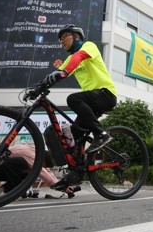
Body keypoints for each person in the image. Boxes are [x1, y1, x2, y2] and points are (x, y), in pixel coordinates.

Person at [44, 24, 117, 189]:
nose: (62, 41)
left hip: (106, 94)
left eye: (65, 37)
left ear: (76, 36)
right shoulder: (70, 59)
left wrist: (63, 71)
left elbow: (78, 58)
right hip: (92, 101)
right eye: (60, 39)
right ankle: (75, 173)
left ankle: (102, 134)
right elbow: (58, 75)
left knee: (73, 99)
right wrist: (40, 87)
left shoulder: (88, 46)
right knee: (75, 135)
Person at [0, 144, 77, 198]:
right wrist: (60, 186)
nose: (41, 166)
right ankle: (17, 191)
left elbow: (47, 171)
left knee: (30, 171)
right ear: (43, 160)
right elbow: (41, 171)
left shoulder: (36, 153)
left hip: (0, 169)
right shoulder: (32, 155)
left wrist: (62, 184)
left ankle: (4, 189)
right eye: (42, 165)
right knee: (25, 165)